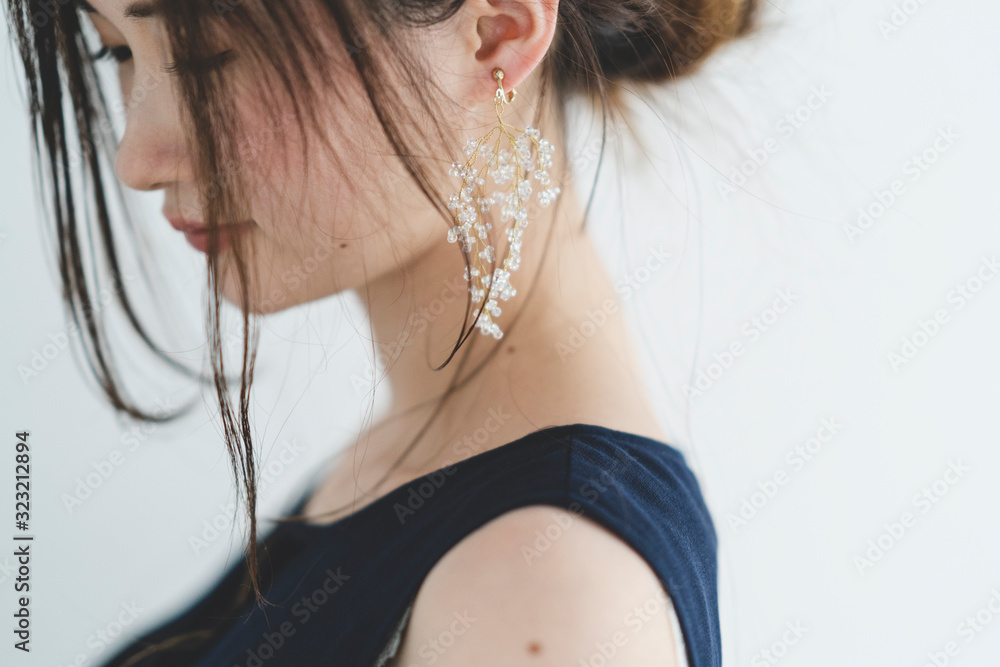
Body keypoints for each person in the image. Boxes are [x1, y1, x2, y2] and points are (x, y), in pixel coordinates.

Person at [6, 0, 758, 664]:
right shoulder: (408, 469)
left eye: (207, 59)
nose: (136, 160)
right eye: (117, 52)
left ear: (494, 38)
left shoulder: (542, 588)